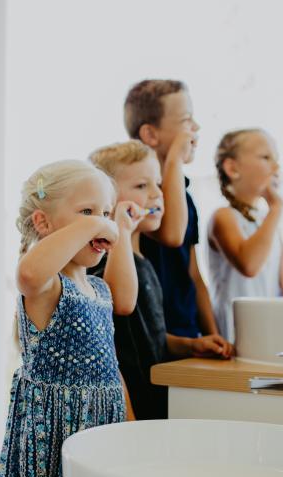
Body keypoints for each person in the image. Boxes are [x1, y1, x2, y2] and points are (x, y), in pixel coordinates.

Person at [0, 160, 140, 477]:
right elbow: (27, 274)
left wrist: (119, 227)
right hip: (53, 430)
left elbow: (125, 304)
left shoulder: (100, 289)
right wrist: (97, 224)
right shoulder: (48, 285)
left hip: (100, 420)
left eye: (103, 211)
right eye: (86, 212)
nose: (99, 221)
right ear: (44, 223)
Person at [90, 141, 234, 420]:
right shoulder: (105, 262)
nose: (158, 194)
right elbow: (121, 306)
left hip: (153, 401)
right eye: (142, 186)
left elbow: (147, 335)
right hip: (129, 407)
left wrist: (190, 345)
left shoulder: (144, 263)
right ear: (107, 199)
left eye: (157, 184)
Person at [123, 79, 231, 354]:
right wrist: (174, 160)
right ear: (150, 134)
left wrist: (214, 336)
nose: (195, 128)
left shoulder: (187, 199)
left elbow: (194, 274)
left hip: (189, 335)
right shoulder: (135, 197)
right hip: (155, 342)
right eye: (186, 120)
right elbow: (171, 235)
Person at [208, 129, 283, 341]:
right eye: (266, 157)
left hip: (266, 331)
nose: (276, 167)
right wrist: (276, 208)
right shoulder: (223, 217)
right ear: (233, 168)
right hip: (234, 336)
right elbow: (249, 265)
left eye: (276, 159)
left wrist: (273, 218)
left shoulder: (266, 223)